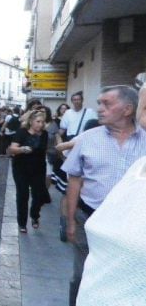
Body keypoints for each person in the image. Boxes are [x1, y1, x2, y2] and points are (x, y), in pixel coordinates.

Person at [62, 85, 146, 306]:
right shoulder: (87, 139)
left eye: (107, 103)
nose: (99, 108)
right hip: (87, 219)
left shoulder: (145, 140)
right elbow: (74, 181)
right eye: (99, 103)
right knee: (81, 277)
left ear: (128, 109)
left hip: (132, 229)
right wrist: (70, 221)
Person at [8, 110, 48, 233]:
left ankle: (34, 215)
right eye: (38, 121)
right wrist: (21, 149)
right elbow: (12, 149)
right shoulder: (22, 132)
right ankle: (22, 223)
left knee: (38, 195)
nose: (40, 124)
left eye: (42, 122)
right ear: (31, 122)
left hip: (38, 168)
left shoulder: (44, 134)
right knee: (22, 195)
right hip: (21, 168)